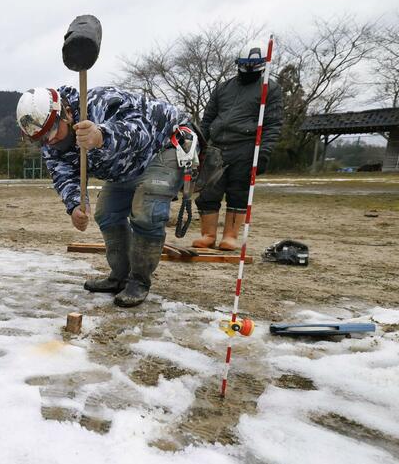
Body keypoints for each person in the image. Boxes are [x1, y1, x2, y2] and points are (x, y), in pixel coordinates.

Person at [16, 85, 191, 307]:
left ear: (66, 113)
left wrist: (102, 136)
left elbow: (141, 132)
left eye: (51, 132)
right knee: (106, 214)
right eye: (40, 139)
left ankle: (139, 281)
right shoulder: (50, 143)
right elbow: (63, 174)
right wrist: (75, 205)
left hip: (162, 146)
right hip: (124, 168)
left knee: (147, 214)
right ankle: (119, 277)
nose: (48, 141)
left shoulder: (101, 102)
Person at [193, 39, 283, 250]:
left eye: (253, 67)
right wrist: (199, 145)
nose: (248, 70)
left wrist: (264, 153)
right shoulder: (223, 88)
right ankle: (208, 235)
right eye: (244, 66)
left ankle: (230, 236)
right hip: (216, 148)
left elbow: (273, 124)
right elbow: (207, 119)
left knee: (238, 192)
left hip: (245, 148)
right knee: (208, 192)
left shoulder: (270, 89)